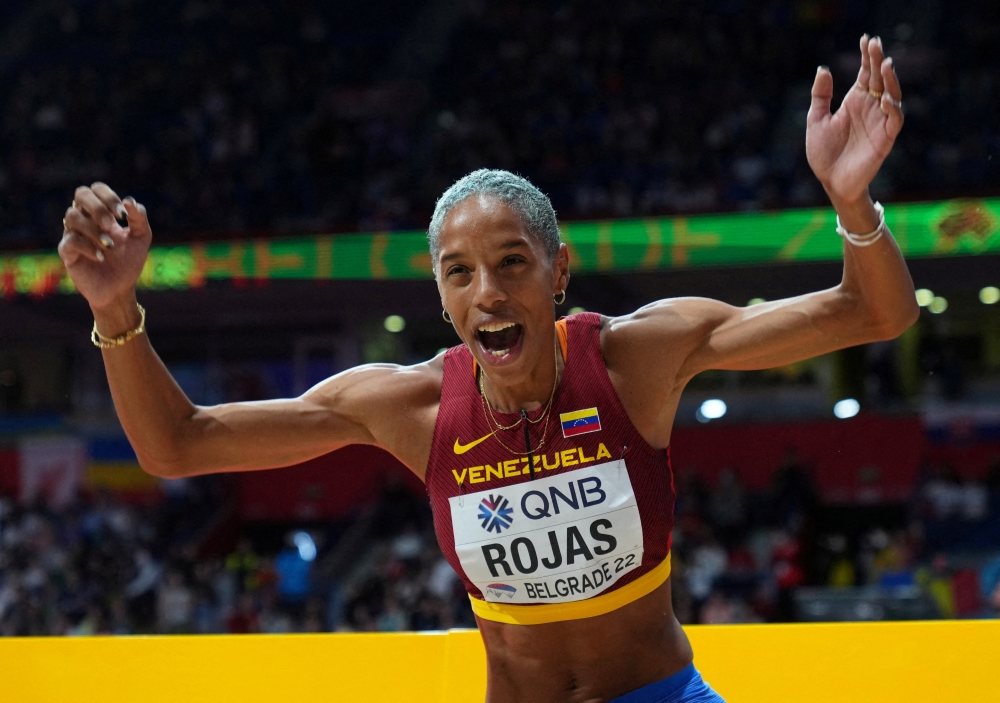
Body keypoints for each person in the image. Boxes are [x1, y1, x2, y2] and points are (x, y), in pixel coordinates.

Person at [57, 36, 913, 703]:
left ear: (560, 273)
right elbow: (178, 444)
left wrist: (852, 204)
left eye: (512, 263)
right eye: (460, 273)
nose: (488, 291)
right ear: (440, 295)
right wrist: (112, 308)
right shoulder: (412, 404)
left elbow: (876, 313)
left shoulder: (636, 355)